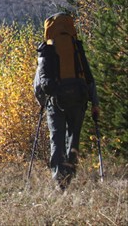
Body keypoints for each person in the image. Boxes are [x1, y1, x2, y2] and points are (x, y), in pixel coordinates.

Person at [34, 13, 101, 191]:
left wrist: (42, 103)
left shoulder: (46, 50)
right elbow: (88, 77)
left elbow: (38, 84)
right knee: (73, 138)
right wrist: (95, 103)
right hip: (78, 98)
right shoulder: (76, 48)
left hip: (55, 101)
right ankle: (70, 176)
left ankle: (59, 181)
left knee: (56, 138)